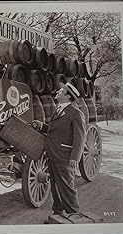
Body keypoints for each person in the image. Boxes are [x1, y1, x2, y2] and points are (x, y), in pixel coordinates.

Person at [35, 82, 86, 219]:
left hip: (65, 155)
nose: (58, 92)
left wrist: (75, 158)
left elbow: (80, 137)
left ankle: (73, 212)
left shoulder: (76, 113)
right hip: (52, 153)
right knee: (55, 184)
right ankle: (58, 211)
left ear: (68, 96)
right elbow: (55, 131)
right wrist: (42, 126)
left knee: (67, 185)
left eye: (61, 91)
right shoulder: (58, 109)